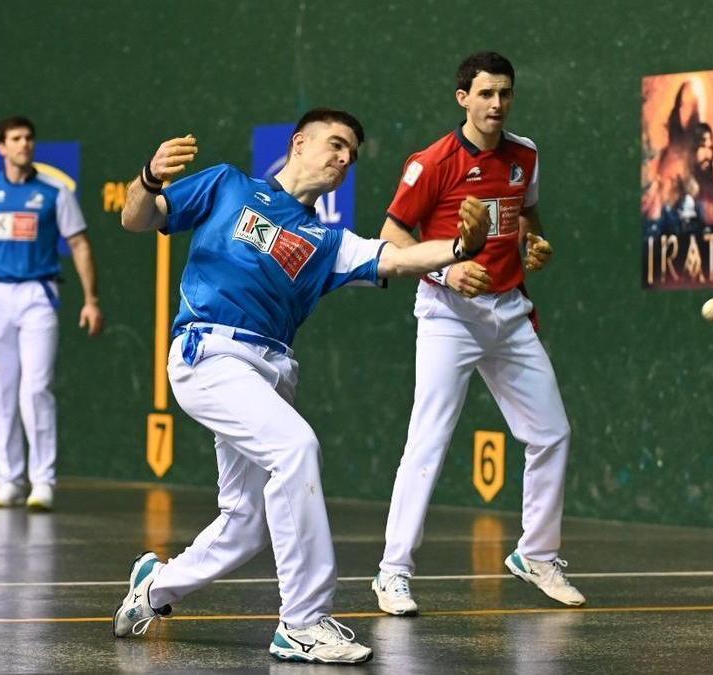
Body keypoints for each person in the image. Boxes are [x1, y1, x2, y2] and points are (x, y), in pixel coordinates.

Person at [110, 108, 489, 665]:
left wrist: (460, 247)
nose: (343, 160)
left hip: (271, 372)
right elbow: (137, 220)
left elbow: (403, 256)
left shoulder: (328, 242)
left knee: (243, 524)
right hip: (210, 354)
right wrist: (147, 178)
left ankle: (153, 588)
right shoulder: (227, 185)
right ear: (299, 143)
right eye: (336, 145)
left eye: (352, 155)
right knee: (296, 449)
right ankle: (303, 622)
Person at [372, 52, 586, 616]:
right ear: (462, 97)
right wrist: (446, 269)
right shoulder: (433, 162)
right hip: (448, 315)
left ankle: (537, 554)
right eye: (486, 93)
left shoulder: (525, 154)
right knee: (429, 439)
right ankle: (392, 573)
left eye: (505, 93)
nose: (496, 104)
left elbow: (527, 215)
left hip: (510, 312)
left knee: (552, 433)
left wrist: (536, 243)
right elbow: (390, 239)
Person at [0, 116, 104, 512]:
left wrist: (91, 299)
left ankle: (42, 482)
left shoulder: (55, 193)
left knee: (35, 388)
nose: (25, 144)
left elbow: (79, 244)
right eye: (16, 139)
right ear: (1, 147)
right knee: (2, 392)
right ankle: (9, 480)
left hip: (38, 296)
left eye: (29, 138)